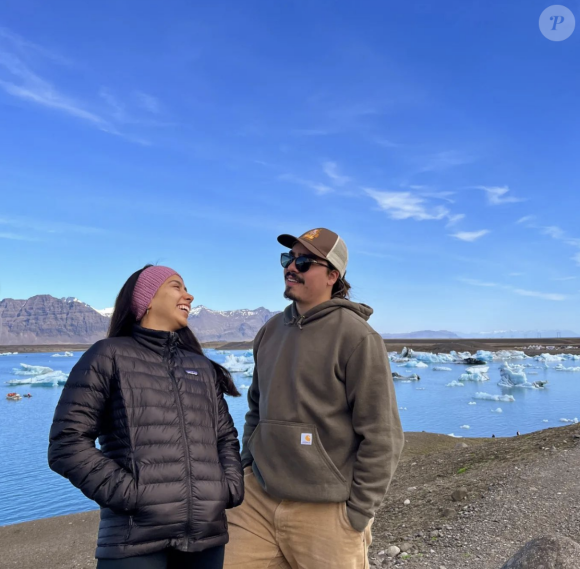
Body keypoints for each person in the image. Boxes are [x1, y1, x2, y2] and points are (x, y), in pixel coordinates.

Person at [224, 228, 404, 569]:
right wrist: (248, 467)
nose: (292, 267)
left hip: (325, 513)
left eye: (304, 262)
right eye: (288, 259)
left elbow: (383, 435)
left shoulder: (357, 337)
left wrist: (357, 513)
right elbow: (255, 410)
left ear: (332, 276)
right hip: (258, 502)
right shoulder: (270, 331)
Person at [48, 265, 243, 569]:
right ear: (147, 299)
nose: (188, 296)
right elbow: (67, 444)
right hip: (134, 542)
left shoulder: (200, 368)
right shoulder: (108, 355)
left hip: (206, 538)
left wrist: (228, 488)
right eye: (177, 286)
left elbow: (225, 438)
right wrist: (132, 495)